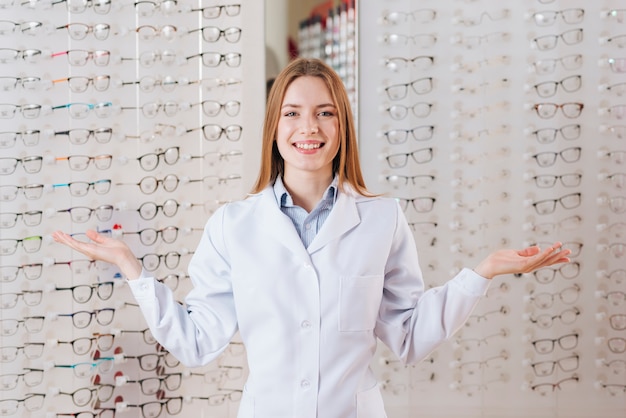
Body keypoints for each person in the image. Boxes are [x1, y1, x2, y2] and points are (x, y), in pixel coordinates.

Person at [52, 57, 571, 418]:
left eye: (325, 112)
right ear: (275, 127)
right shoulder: (233, 225)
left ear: (341, 125)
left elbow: (409, 335)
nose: (309, 127)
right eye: (293, 113)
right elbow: (196, 341)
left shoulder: (383, 219)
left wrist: (480, 275)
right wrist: (132, 269)